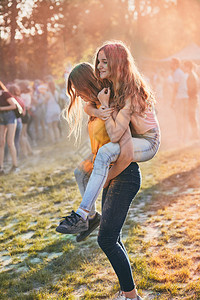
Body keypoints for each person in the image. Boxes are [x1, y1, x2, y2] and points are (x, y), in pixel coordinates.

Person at [57, 62, 143, 299]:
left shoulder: (111, 104)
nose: (79, 95)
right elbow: (87, 110)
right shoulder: (94, 105)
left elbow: (123, 150)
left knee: (106, 240)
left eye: (79, 88)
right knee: (111, 238)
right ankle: (128, 292)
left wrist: (107, 177)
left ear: (87, 83)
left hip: (124, 176)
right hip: (110, 175)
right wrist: (95, 110)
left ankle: (132, 296)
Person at [56, 42, 160, 236]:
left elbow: (115, 136)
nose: (99, 66)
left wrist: (107, 177)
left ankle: (82, 214)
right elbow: (89, 105)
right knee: (81, 172)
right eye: (98, 62)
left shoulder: (127, 93)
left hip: (148, 141)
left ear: (117, 63)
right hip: (130, 137)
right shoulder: (110, 87)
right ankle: (92, 217)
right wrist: (99, 109)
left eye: (104, 62)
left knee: (104, 153)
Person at [0, 81, 19, 174]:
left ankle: (15, 165)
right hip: (1, 119)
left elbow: (13, 106)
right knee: (1, 142)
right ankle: (1, 168)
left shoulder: (5, 94)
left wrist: (1, 108)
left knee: (10, 142)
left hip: (10, 117)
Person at [170, 58, 188, 141]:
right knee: (183, 117)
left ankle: (181, 137)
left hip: (180, 98)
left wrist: (172, 101)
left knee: (179, 118)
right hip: (184, 97)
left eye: (172, 63)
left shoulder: (177, 73)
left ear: (176, 64)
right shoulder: (180, 72)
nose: (170, 65)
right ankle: (184, 136)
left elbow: (175, 89)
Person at [184, 60, 200, 139]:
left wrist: (185, 91)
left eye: (185, 67)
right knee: (193, 116)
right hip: (194, 98)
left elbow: (190, 89)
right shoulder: (194, 75)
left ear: (188, 67)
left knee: (192, 116)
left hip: (192, 98)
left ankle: (195, 134)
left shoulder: (191, 76)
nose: (184, 68)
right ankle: (195, 133)